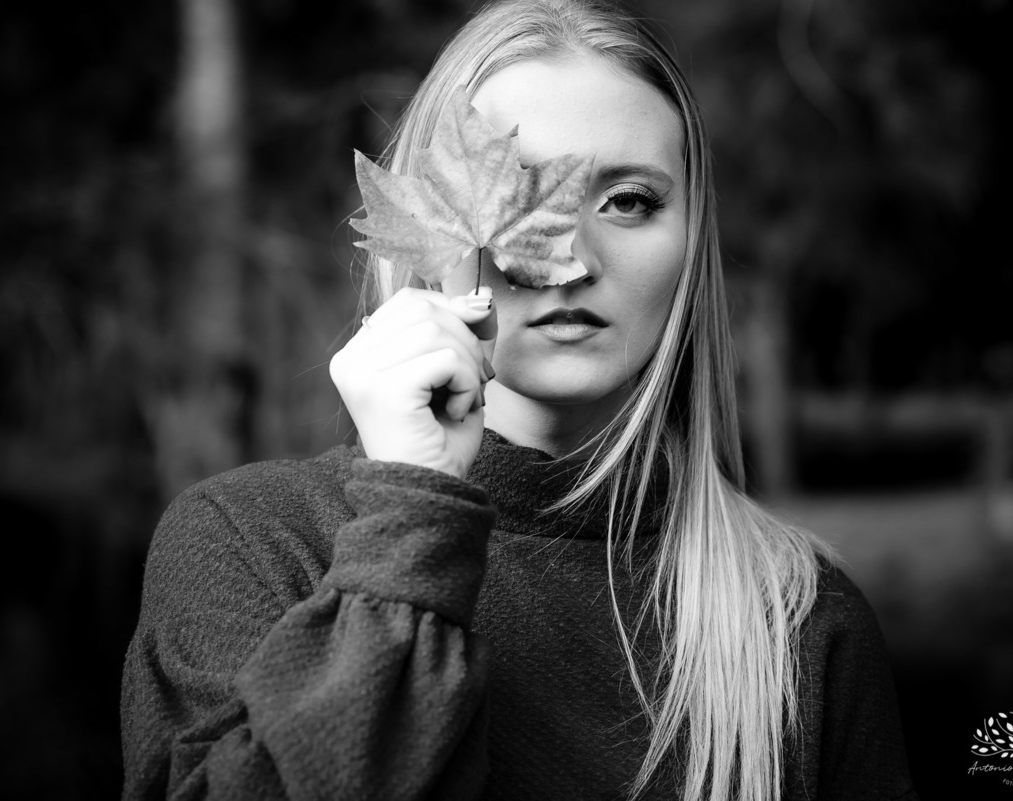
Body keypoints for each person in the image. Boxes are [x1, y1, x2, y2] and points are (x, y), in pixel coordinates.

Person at [120, 1, 918, 799]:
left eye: (630, 201)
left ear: (689, 241)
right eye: (520, 195)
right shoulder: (251, 543)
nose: (568, 261)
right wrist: (411, 526)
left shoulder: (801, 620)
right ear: (428, 225)